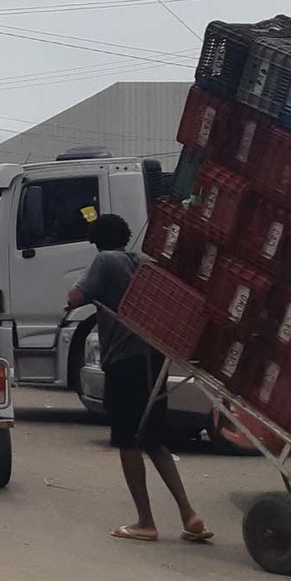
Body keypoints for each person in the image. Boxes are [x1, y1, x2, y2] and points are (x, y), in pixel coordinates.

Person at [68, 213, 211, 545]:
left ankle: (145, 521)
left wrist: (81, 292)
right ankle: (190, 515)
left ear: (97, 241)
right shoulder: (144, 261)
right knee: (153, 439)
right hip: (152, 359)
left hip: (124, 362)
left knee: (127, 441)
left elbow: (75, 297)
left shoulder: (105, 261)